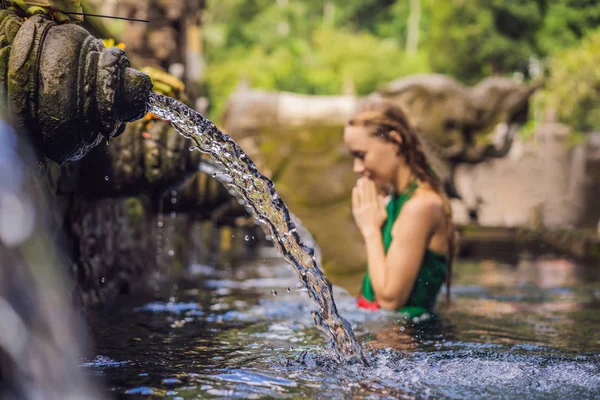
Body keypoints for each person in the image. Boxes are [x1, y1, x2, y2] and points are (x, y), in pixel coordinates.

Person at [344, 101, 457, 318]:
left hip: (406, 346)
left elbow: (390, 301)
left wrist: (370, 230)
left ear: (395, 141)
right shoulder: (396, 201)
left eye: (361, 155)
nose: (356, 168)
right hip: (385, 340)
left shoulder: (421, 207)